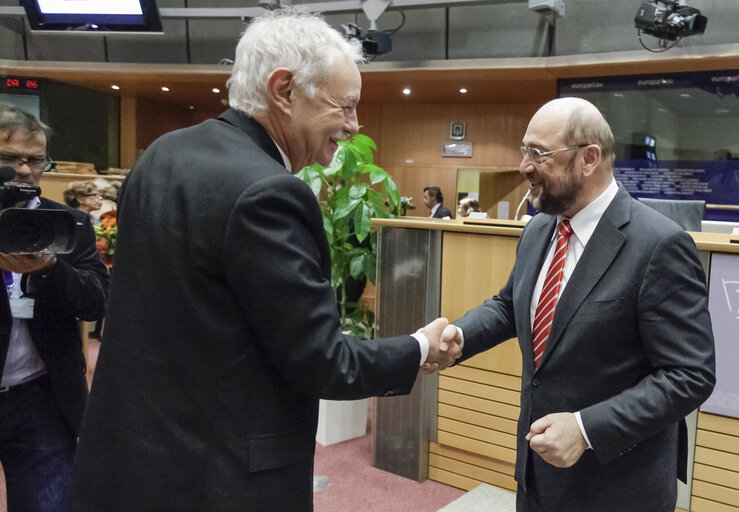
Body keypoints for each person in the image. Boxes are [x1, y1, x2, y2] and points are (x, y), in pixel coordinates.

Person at [69, 9, 459, 512]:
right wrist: (417, 347)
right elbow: (323, 362)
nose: (354, 125)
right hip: (217, 479)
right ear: (284, 90)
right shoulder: (269, 193)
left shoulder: (163, 154)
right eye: (345, 106)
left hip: (132, 460)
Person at [438, 97, 716, 511]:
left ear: (589, 158)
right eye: (524, 150)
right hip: (537, 476)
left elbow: (690, 375)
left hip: (617, 488)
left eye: (539, 153)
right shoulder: (539, 229)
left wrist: (586, 430)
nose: (524, 166)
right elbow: (509, 305)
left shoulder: (659, 245)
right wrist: (459, 336)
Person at [0, 103, 109, 511]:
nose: (24, 171)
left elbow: (96, 300)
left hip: (41, 397)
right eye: (10, 159)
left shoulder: (67, 223)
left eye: (35, 160)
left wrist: (50, 269)